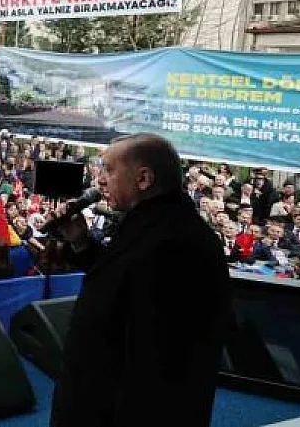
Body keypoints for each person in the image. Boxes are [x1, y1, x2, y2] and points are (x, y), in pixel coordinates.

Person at [51, 134, 230, 427]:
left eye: (109, 170)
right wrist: (81, 242)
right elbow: (122, 280)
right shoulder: (153, 225)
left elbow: (155, 356)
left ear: (143, 179)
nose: (100, 181)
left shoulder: (175, 243)